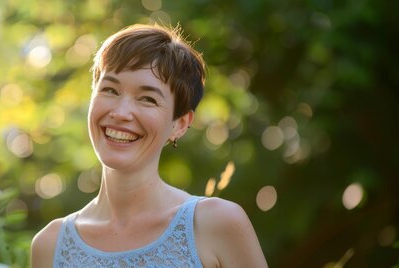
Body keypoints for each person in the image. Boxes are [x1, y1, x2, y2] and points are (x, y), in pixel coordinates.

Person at [31, 24, 267, 267]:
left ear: (180, 124)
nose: (121, 113)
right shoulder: (50, 245)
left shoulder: (216, 224)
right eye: (110, 89)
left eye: (147, 99)